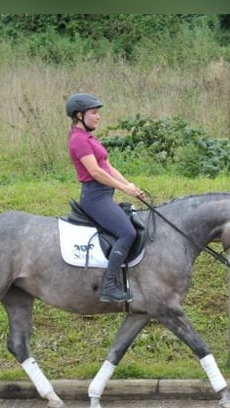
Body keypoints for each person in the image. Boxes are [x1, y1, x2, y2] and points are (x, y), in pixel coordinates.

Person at [66, 92, 145, 303]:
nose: (98, 117)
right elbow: (96, 173)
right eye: (94, 113)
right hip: (94, 198)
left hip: (104, 195)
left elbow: (107, 166)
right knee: (127, 233)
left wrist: (129, 185)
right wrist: (124, 189)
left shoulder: (89, 137)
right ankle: (109, 285)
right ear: (79, 115)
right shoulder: (78, 140)